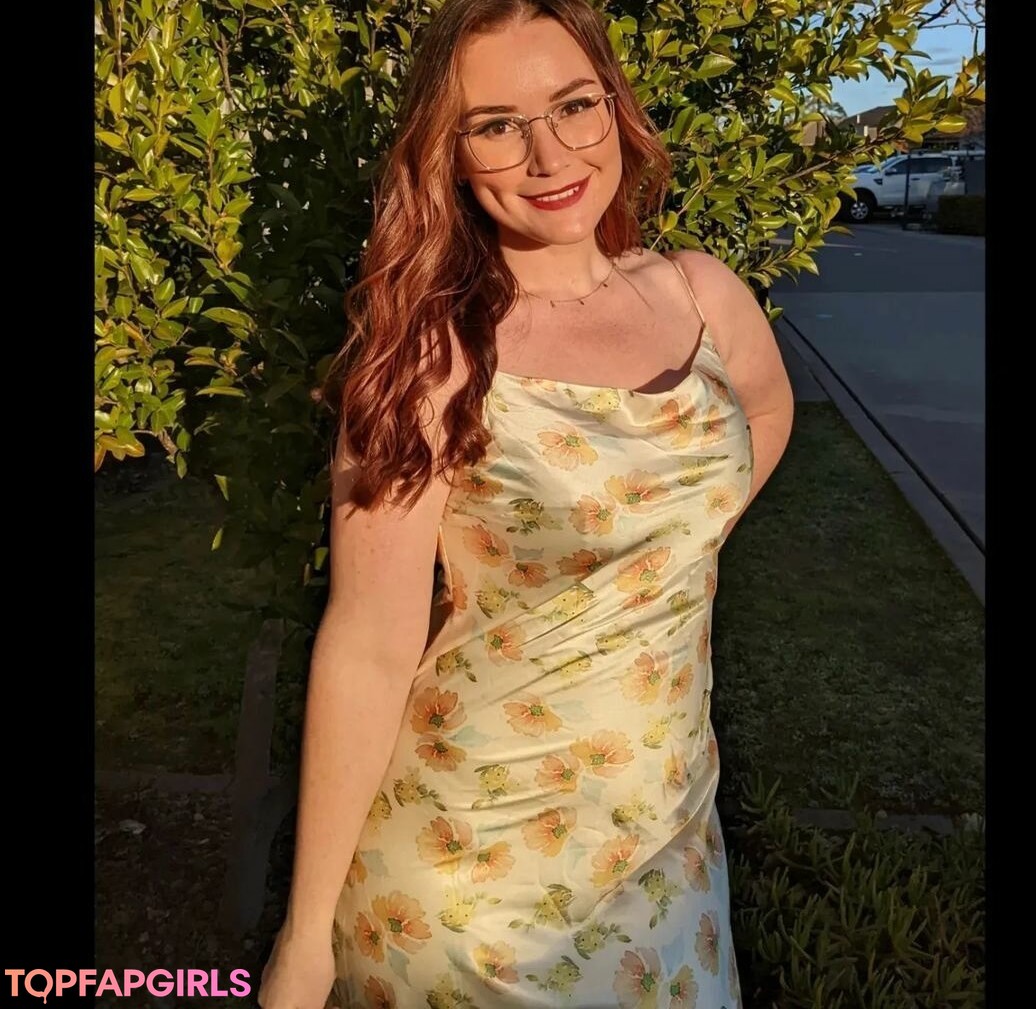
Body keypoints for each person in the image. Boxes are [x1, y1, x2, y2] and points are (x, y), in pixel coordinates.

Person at [258, 1, 794, 1006]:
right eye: (497, 125)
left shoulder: (701, 295)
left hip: (670, 846)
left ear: (615, 106)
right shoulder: (432, 358)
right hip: (475, 890)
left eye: (574, 105)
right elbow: (368, 644)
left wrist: (667, 552)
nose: (550, 155)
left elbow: (765, 407)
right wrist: (303, 940)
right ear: (450, 156)